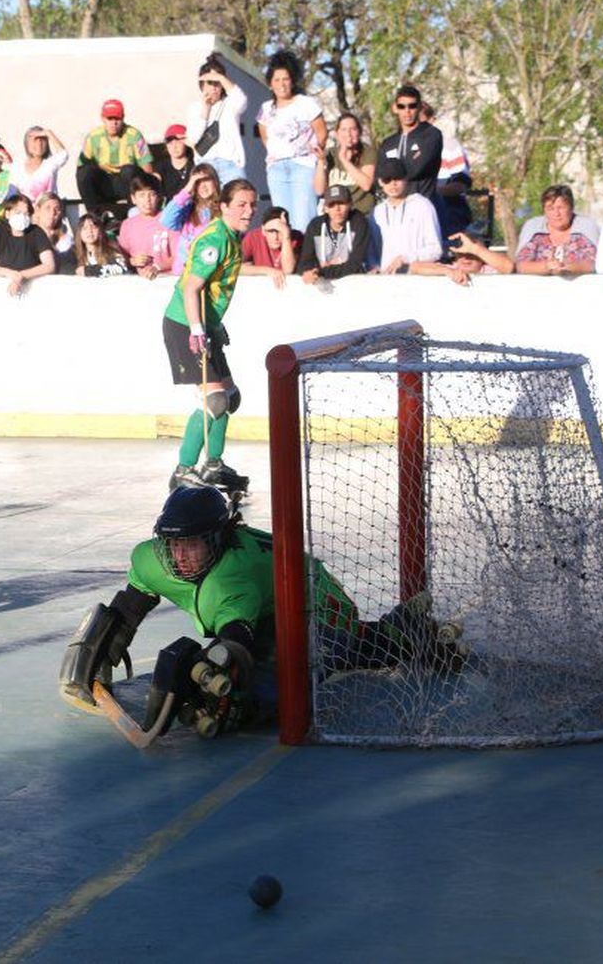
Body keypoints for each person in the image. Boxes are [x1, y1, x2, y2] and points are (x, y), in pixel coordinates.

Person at [58, 486, 466, 739]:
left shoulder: (234, 577)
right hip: (270, 605)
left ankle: (408, 635)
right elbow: (133, 603)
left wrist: (209, 681)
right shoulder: (151, 559)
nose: (180, 557)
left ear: (218, 539)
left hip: (315, 602)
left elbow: (237, 642)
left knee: (292, 678)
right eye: (173, 545)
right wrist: (103, 646)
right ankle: (403, 627)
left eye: (193, 545)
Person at [163, 178, 256, 494]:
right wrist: (198, 330)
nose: (249, 210)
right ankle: (184, 469)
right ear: (225, 205)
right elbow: (192, 288)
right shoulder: (215, 240)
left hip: (205, 323)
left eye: (252, 204)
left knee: (230, 397)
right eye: (242, 204)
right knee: (214, 399)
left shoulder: (232, 237)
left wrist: (215, 325)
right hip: (184, 325)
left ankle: (213, 464)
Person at [255, 50, 326, 233]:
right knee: (282, 220)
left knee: (304, 220)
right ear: (270, 83)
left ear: (292, 80)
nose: (281, 84)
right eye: (277, 80)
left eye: (285, 79)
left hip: (302, 166)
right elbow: (265, 136)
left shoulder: (306, 103)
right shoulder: (266, 109)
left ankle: (306, 259)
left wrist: (315, 156)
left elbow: (321, 132)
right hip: (276, 169)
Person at [77, 99, 155, 218]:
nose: (114, 123)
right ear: (103, 119)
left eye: (117, 119)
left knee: (128, 170)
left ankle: (133, 213)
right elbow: (82, 167)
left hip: (127, 183)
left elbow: (147, 168)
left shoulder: (134, 135)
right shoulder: (93, 137)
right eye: (110, 119)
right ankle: (94, 216)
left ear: (123, 118)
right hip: (105, 183)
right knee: (83, 172)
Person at [371, 158, 442, 274]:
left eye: (397, 178)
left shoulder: (422, 205)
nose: (393, 184)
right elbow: (372, 250)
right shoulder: (377, 212)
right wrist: (374, 266)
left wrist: (406, 258)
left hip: (415, 277)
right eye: (387, 180)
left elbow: (436, 249)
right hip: (385, 280)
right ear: (380, 182)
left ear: (406, 178)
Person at [187, 53, 249, 185]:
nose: (214, 87)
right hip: (205, 166)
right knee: (208, 205)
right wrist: (206, 109)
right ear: (202, 84)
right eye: (210, 82)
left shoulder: (230, 103)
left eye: (218, 83)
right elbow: (193, 138)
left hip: (231, 165)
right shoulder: (194, 108)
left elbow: (242, 100)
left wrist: (220, 77)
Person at [375, 85, 443, 202]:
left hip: (424, 205)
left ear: (420, 107)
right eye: (401, 106)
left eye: (412, 106)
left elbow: (415, 169)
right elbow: (379, 175)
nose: (407, 111)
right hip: (396, 208)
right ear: (395, 108)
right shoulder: (388, 143)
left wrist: (389, 173)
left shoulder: (431, 135)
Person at [514, 184, 598, 277]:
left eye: (561, 208)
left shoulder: (586, 227)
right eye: (550, 208)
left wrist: (567, 267)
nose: (556, 213)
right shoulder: (534, 228)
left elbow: (593, 264)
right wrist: (547, 267)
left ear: (571, 208)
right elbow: (521, 266)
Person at [298, 184, 372, 283]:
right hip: (323, 285)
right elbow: (304, 263)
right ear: (326, 208)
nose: (337, 209)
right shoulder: (315, 226)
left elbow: (355, 264)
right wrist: (310, 272)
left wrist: (322, 272)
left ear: (350, 204)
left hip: (353, 282)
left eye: (341, 203)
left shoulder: (359, 222)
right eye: (331, 205)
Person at [0, 194, 56, 295]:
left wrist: (21, 276)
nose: (22, 217)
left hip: (33, 290)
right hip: (3, 289)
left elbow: (49, 265)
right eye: (18, 212)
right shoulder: (0, 233)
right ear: (7, 214)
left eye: (26, 213)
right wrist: (12, 275)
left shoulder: (36, 232)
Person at [422, 103, 473, 237]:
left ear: (431, 120)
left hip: (449, 214)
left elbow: (461, 184)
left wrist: (432, 192)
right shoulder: (404, 149)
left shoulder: (449, 146)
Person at [117, 172, 179, 279]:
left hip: (167, 279)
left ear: (159, 196)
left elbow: (180, 255)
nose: (147, 200)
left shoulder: (170, 220)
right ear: (133, 198)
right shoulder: (127, 225)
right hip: (139, 282)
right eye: (141, 195)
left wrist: (157, 267)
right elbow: (122, 257)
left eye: (152, 194)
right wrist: (132, 261)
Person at [313, 112, 376, 218]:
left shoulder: (368, 152)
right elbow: (319, 190)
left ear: (359, 132)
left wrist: (344, 160)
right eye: (344, 130)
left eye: (353, 129)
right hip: (335, 215)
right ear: (337, 134)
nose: (348, 134)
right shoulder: (330, 154)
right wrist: (320, 161)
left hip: (361, 212)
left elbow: (366, 185)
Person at [160, 164, 223, 266]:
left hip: (211, 270)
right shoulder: (188, 208)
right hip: (185, 272)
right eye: (197, 182)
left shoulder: (225, 208)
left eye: (206, 180)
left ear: (215, 182)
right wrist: (186, 190)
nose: (202, 186)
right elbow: (166, 220)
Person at [410, 231, 513, 284]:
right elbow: (415, 267)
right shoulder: (452, 269)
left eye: (471, 254)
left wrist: (476, 249)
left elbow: (508, 267)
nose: (466, 258)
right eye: (461, 254)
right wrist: (447, 271)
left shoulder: (489, 269)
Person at [239, 206, 301, 288]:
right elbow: (232, 267)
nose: (275, 237)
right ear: (263, 230)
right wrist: (267, 270)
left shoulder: (296, 238)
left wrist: (286, 236)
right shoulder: (254, 237)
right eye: (271, 231)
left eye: (279, 231)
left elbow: (288, 270)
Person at [10, 126, 70, 202]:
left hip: (48, 210)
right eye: (35, 140)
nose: (39, 143)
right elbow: (12, 192)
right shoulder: (17, 166)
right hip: (25, 211)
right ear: (27, 144)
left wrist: (49, 133)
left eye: (42, 140)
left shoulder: (50, 164)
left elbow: (64, 154)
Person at [33, 192, 75, 274]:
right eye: (47, 208)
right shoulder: (28, 236)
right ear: (38, 210)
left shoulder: (66, 241)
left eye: (57, 209)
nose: (53, 213)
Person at [157, 124, 196, 203]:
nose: (174, 147)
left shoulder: (194, 165)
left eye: (178, 142)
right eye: (170, 143)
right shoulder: (162, 167)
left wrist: (193, 146)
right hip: (169, 209)